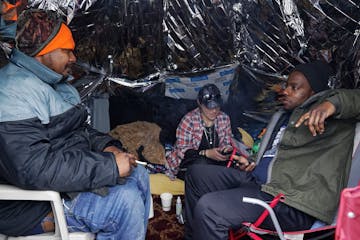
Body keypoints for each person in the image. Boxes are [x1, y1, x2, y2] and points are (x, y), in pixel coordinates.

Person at [0, 9, 150, 239]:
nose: (73, 58)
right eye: (66, 51)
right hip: (31, 207)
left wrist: (105, 147)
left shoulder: (54, 83)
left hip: (65, 184)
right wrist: (108, 166)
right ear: (43, 53)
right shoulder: (12, 93)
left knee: (138, 174)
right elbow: (33, 168)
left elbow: (79, 130)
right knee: (124, 202)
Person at [184, 61, 360, 239]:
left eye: (294, 87)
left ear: (315, 93)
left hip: (290, 201)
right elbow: (276, 156)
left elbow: (356, 100)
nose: (286, 91)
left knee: (210, 209)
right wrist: (253, 161)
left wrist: (332, 103)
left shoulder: (335, 119)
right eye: (286, 86)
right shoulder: (284, 116)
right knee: (195, 174)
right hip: (260, 184)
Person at [165, 83, 236, 180]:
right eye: (209, 107)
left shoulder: (224, 118)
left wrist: (225, 150)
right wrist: (206, 153)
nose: (214, 111)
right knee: (202, 165)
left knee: (233, 168)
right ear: (199, 103)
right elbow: (182, 151)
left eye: (217, 106)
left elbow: (226, 142)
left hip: (213, 164)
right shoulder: (189, 120)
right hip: (188, 165)